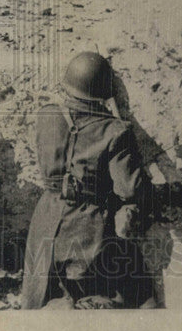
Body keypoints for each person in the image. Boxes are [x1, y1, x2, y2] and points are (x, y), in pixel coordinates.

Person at [21, 52, 157, 309]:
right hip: (88, 227)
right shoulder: (115, 131)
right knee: (130, 296)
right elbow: (130, 189)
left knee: (40, 296)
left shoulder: (46, 115)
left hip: (45, 220)